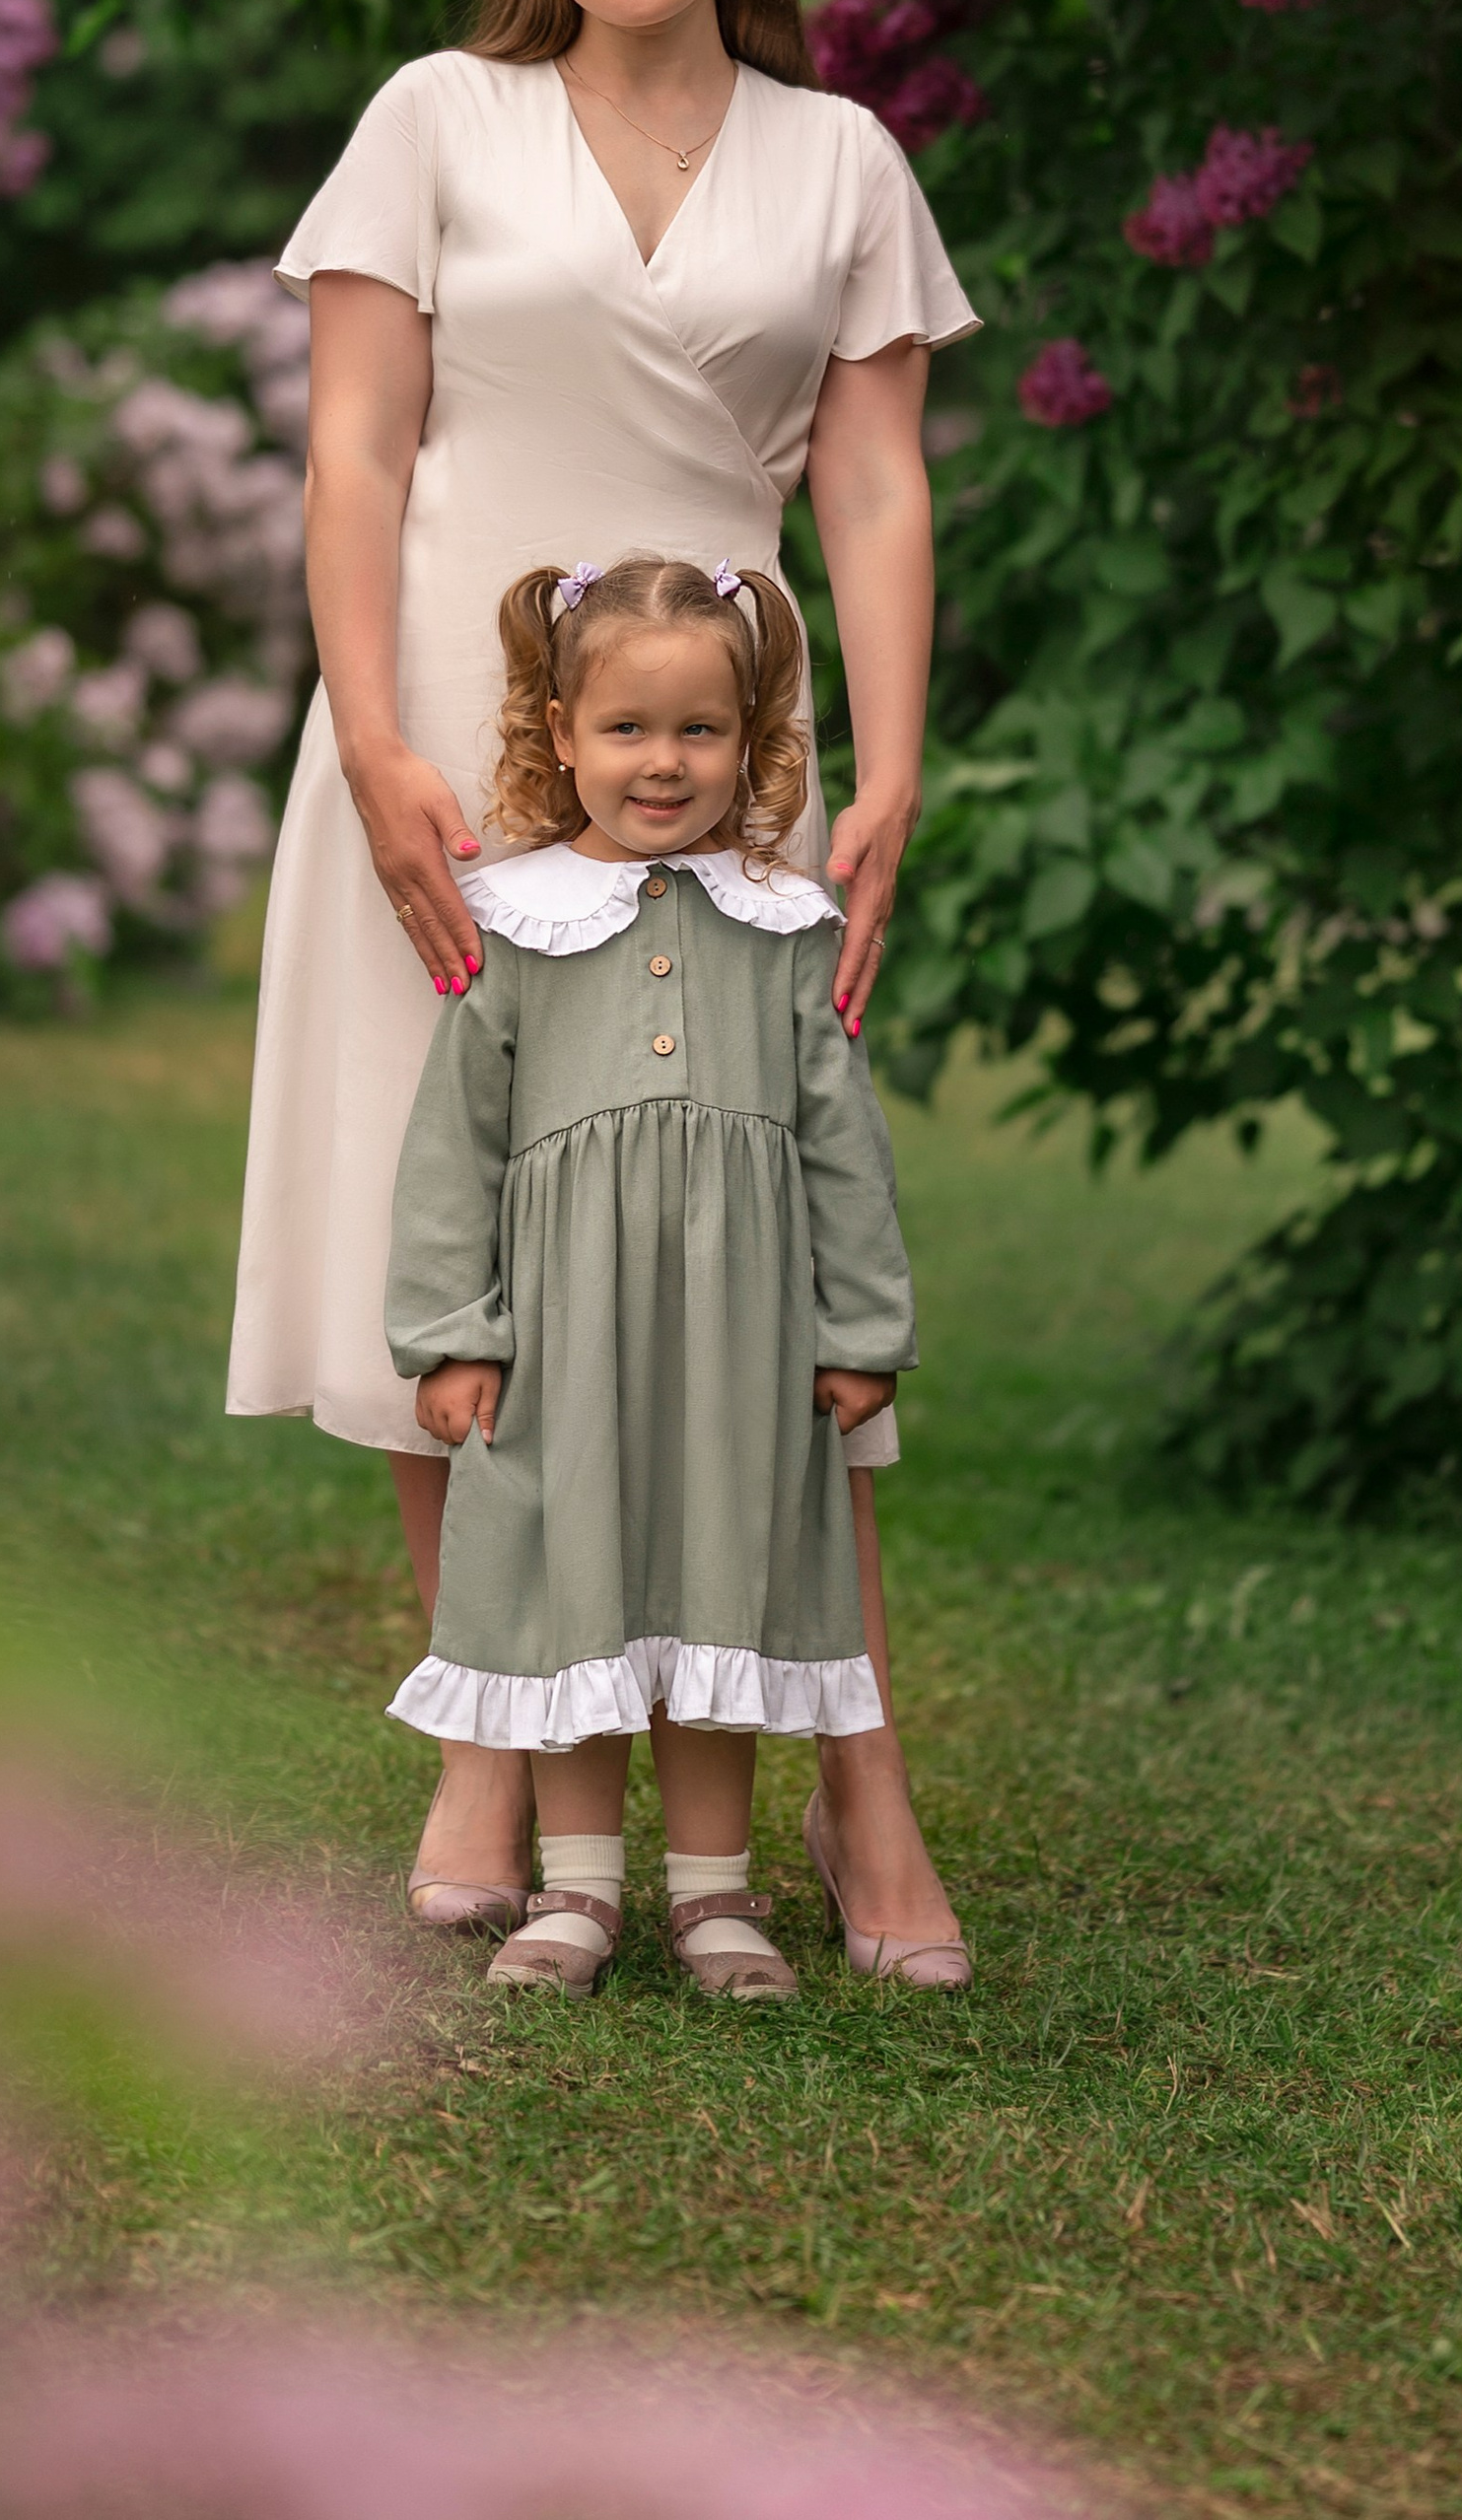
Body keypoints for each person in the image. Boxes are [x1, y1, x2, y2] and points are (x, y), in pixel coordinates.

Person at [227, 0, 976, 1983]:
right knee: (453, 1217)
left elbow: (869, 479)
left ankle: (855, 1781)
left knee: (759, 1246)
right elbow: (356, 451)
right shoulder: (433, 120)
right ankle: (489, 1733)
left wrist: (885, 761)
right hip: (449, 749)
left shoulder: (839, 158)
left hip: (716, 760)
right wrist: (375, 734)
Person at [386, 553, 921, 2000]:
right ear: (561, 735)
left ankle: (713, 1896)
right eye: (627, 728)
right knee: (580, 1589)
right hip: (567, 1337)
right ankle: (578, 1890)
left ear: (752, 743)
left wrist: (861, 1326)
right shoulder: (512, 920)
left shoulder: (784, 926)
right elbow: (453, 1147)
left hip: (741, 1338)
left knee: (714, 1583)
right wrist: (453, 1331)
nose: (664, 762)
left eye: (700, 729)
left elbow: (842, 1142)